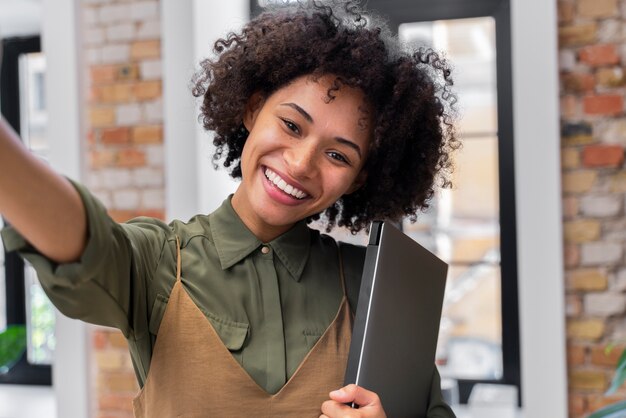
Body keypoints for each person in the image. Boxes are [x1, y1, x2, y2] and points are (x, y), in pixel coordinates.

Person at [0, 1, 459, 417]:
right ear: (252, 109)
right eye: (291, 125)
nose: (300, 164)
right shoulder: (160, 263)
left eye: (338, 155)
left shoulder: (375, 287)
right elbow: (81, 243)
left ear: (359, 178)